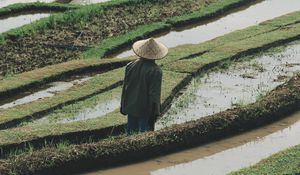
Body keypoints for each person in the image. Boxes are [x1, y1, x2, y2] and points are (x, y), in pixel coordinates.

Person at [120, 38, 168, 134]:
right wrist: (155, 112)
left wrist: (123, 105)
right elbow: (154, 94)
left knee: (131, 133)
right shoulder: (155, 71)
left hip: (131, 106)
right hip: (145, 109)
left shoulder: (130, 65)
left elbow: (125, 87)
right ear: (156, 54)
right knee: (145, 134)